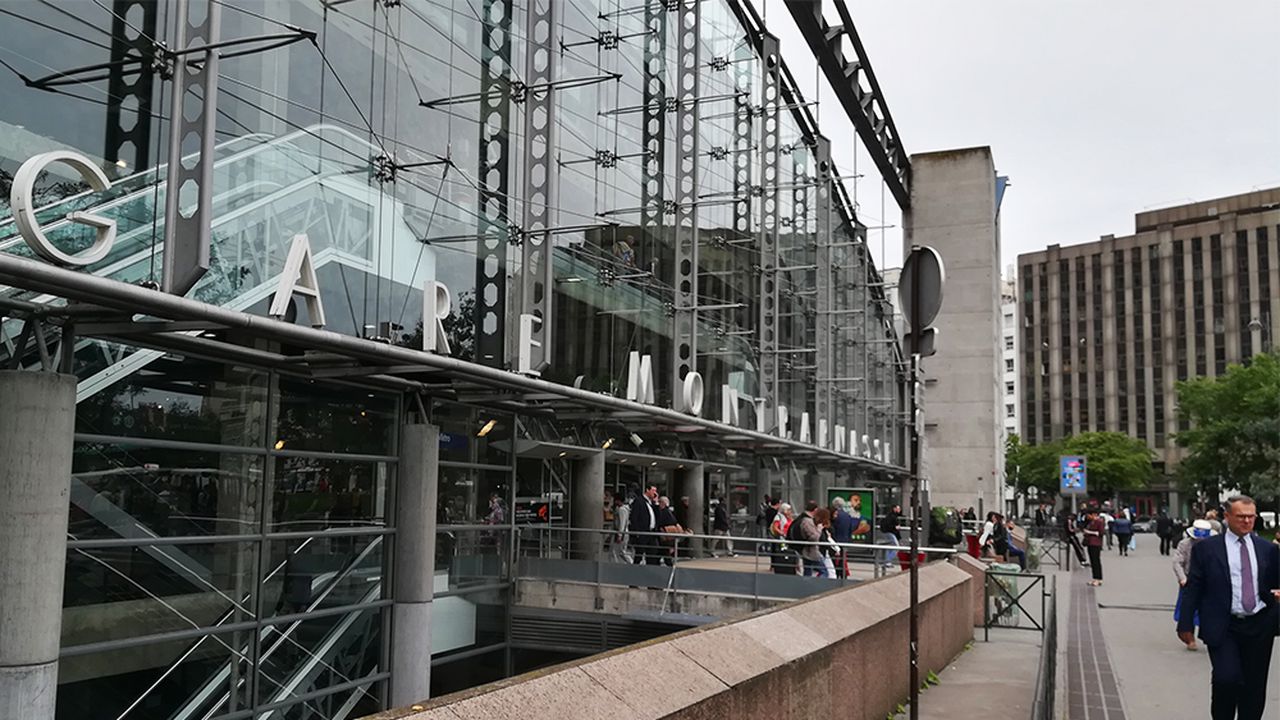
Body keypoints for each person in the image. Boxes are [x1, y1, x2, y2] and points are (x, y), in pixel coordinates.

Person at [1177, 495, 1280, 720]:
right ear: (1227, 517)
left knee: (1254, 686)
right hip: (1223, 625)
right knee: (1226, 678)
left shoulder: (1267, 549)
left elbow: (1274, 584)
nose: (1246, 521)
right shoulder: (1208, 549)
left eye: (1250, 516)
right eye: (1241, 516)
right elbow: (1194, 587)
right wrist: (1185, 623)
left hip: (1259, 625)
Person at [1173, 519, 1216, 650]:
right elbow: (1177, 562)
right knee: (1187, 610)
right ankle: (1189, 637)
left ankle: (1210, 636)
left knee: (1209, 610)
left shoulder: (1214, 545)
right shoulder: (1185, 544)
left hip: (1209, 580)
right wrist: (1182, 578)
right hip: (1189, 580)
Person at [788, 500, 823, 577]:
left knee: (808, 570)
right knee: (824, 571)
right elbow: (814, 537)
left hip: (804, 550)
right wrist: (819, 529)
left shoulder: (800, 518)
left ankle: (806, 585)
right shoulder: (807, 521)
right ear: (815, 510)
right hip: (810, 551)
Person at [629, 485, 659, 565]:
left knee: (652, 553)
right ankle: (635, 570)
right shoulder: (639, 501)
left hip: (651, 533)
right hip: (642, 532)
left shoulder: (651, 502)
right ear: (647, 490)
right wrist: (637, 532)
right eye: (653, 491)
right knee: (639, 554)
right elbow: (634, 517)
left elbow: (658, 515)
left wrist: (656, 503)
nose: (654, 493)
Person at [769, 503, 796, 574]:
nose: (790, 511)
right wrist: (782, 533)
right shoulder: (778, 517)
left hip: (789, 537)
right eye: (788, 510)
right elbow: (775, 527)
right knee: (783, 551)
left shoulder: (788, 517)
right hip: (782, 538)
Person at [608, 491, 633, 564]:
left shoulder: (622, 510)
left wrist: (620, 535)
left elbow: (622, 523)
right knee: (617, 551)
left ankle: (631, 562)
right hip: (621, 532)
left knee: (620, 551)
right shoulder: (620, 509)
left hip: (621, 533)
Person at [813, 508, 838, 578]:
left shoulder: (820, 526)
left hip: (822, 551)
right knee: (827, 572)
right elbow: (821, 539)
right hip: (820, 551)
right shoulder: (820, 527)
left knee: (828, 571)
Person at [1083, 508, 1105, 586]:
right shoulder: (1091, 522)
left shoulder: (1099, 521)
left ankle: (1098, 578)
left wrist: (1089, 532)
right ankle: (1094, 578)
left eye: (1089, 515)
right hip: (1090, 542)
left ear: (1094, 514)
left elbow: (1101, 533)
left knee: (1096, 561)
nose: (1088, 516)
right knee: (1092, 561)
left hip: (1096, 543)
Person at [879, 503, 902, 569]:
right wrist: (895, 527)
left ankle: (887, 562)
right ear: (894, 509)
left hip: (888, 533)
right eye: (898, 508)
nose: (899, 510)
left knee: (890, 547)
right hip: (890, 533)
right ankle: (887, 561)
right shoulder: (892, 516)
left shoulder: (891, 516)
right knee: (897, 547)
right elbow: (891, 526)